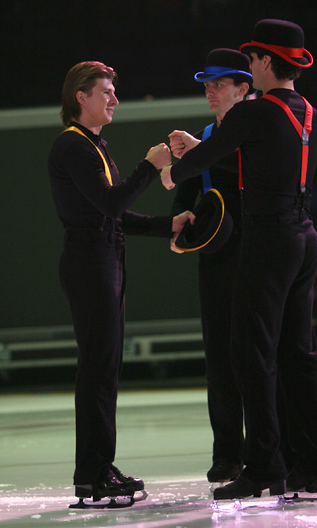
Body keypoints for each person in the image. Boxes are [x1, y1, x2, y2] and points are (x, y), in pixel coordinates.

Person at [162, 19, 317, 500]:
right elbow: (256, 158)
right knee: (300, 354)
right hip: (304, 237)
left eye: (253, 58)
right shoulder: (311, 115)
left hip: (268, 241)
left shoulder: (254, 112)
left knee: (251, 353)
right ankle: (314, 466)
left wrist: (172, 166)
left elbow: (198, 165)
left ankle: (262, 467)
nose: (250, 66)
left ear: (265, 61)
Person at [48, 61, 193, 505]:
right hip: (90, 263)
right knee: (98, 369)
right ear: (81, 97)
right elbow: (111, 204)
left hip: (103, 259)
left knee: (104, 369)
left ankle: (99, 467)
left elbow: (114, 215)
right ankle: (92, 474)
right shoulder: (73, 145)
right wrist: (149, 167)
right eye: (105, 92)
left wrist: (167, 225)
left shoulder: (92, 145)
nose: (114, 98)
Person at [170, 49, 252, 484]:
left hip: (256, 256)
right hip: (216, 258)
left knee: (258, 355)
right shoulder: (202, 135)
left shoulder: (257, 131)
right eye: (207, 85)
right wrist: (179, 224)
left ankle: (270, 450)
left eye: (219, 84)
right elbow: (184, 195)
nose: (210, 91)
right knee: (219, 358)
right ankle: (227, 454)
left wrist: (199, 151)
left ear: (242, 89)